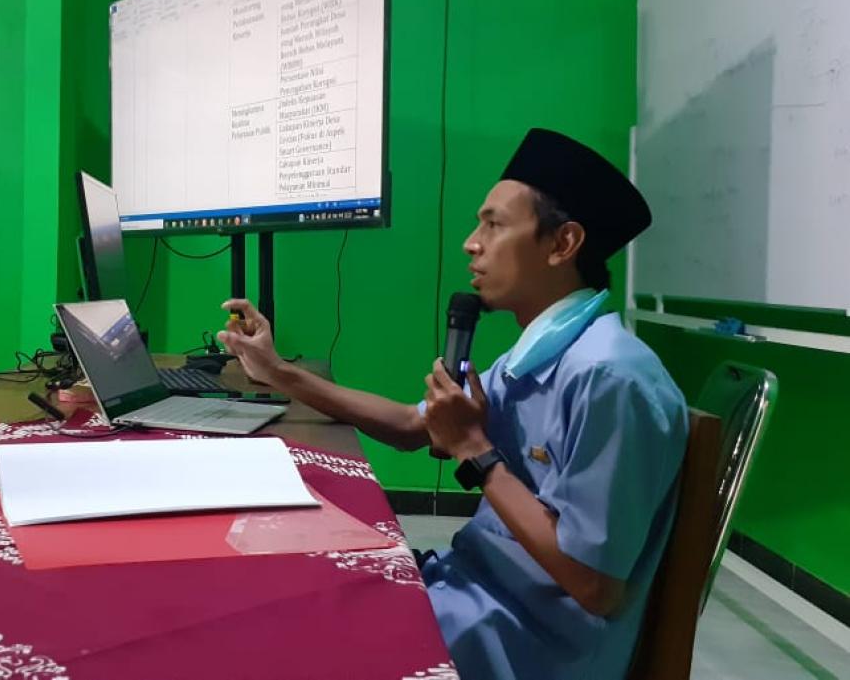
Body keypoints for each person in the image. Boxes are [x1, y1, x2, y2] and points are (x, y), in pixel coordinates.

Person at [216, 128, 687, 680]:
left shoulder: (609, 376)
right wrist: (277, 371)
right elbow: (411, 424)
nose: (471, 242)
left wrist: (476, 452)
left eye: (494, 225)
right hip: (470, 590)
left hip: (521, 642)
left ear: (563, 244)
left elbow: (595, 584)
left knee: (279, 644)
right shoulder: (535, 356)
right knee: (284, 586)